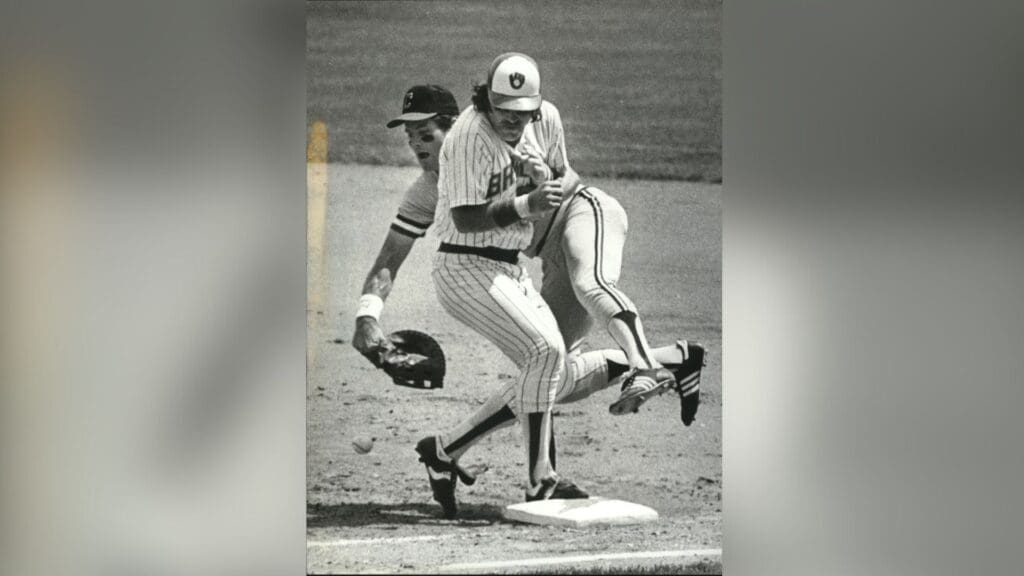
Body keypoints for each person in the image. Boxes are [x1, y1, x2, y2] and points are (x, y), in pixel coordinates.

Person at [354, 65, 703, 518]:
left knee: (569, 318)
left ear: (452, 126)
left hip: (578, 223)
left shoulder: (503, 137)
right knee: (553, 374)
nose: (418, 146)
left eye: (426, 134)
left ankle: (550, 465)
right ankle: (672, 360)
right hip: (515, 262)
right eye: (410, 138)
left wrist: (542, 182)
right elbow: (391, 257)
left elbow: (565, 179)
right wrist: (367, 316)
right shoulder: (428, 190)